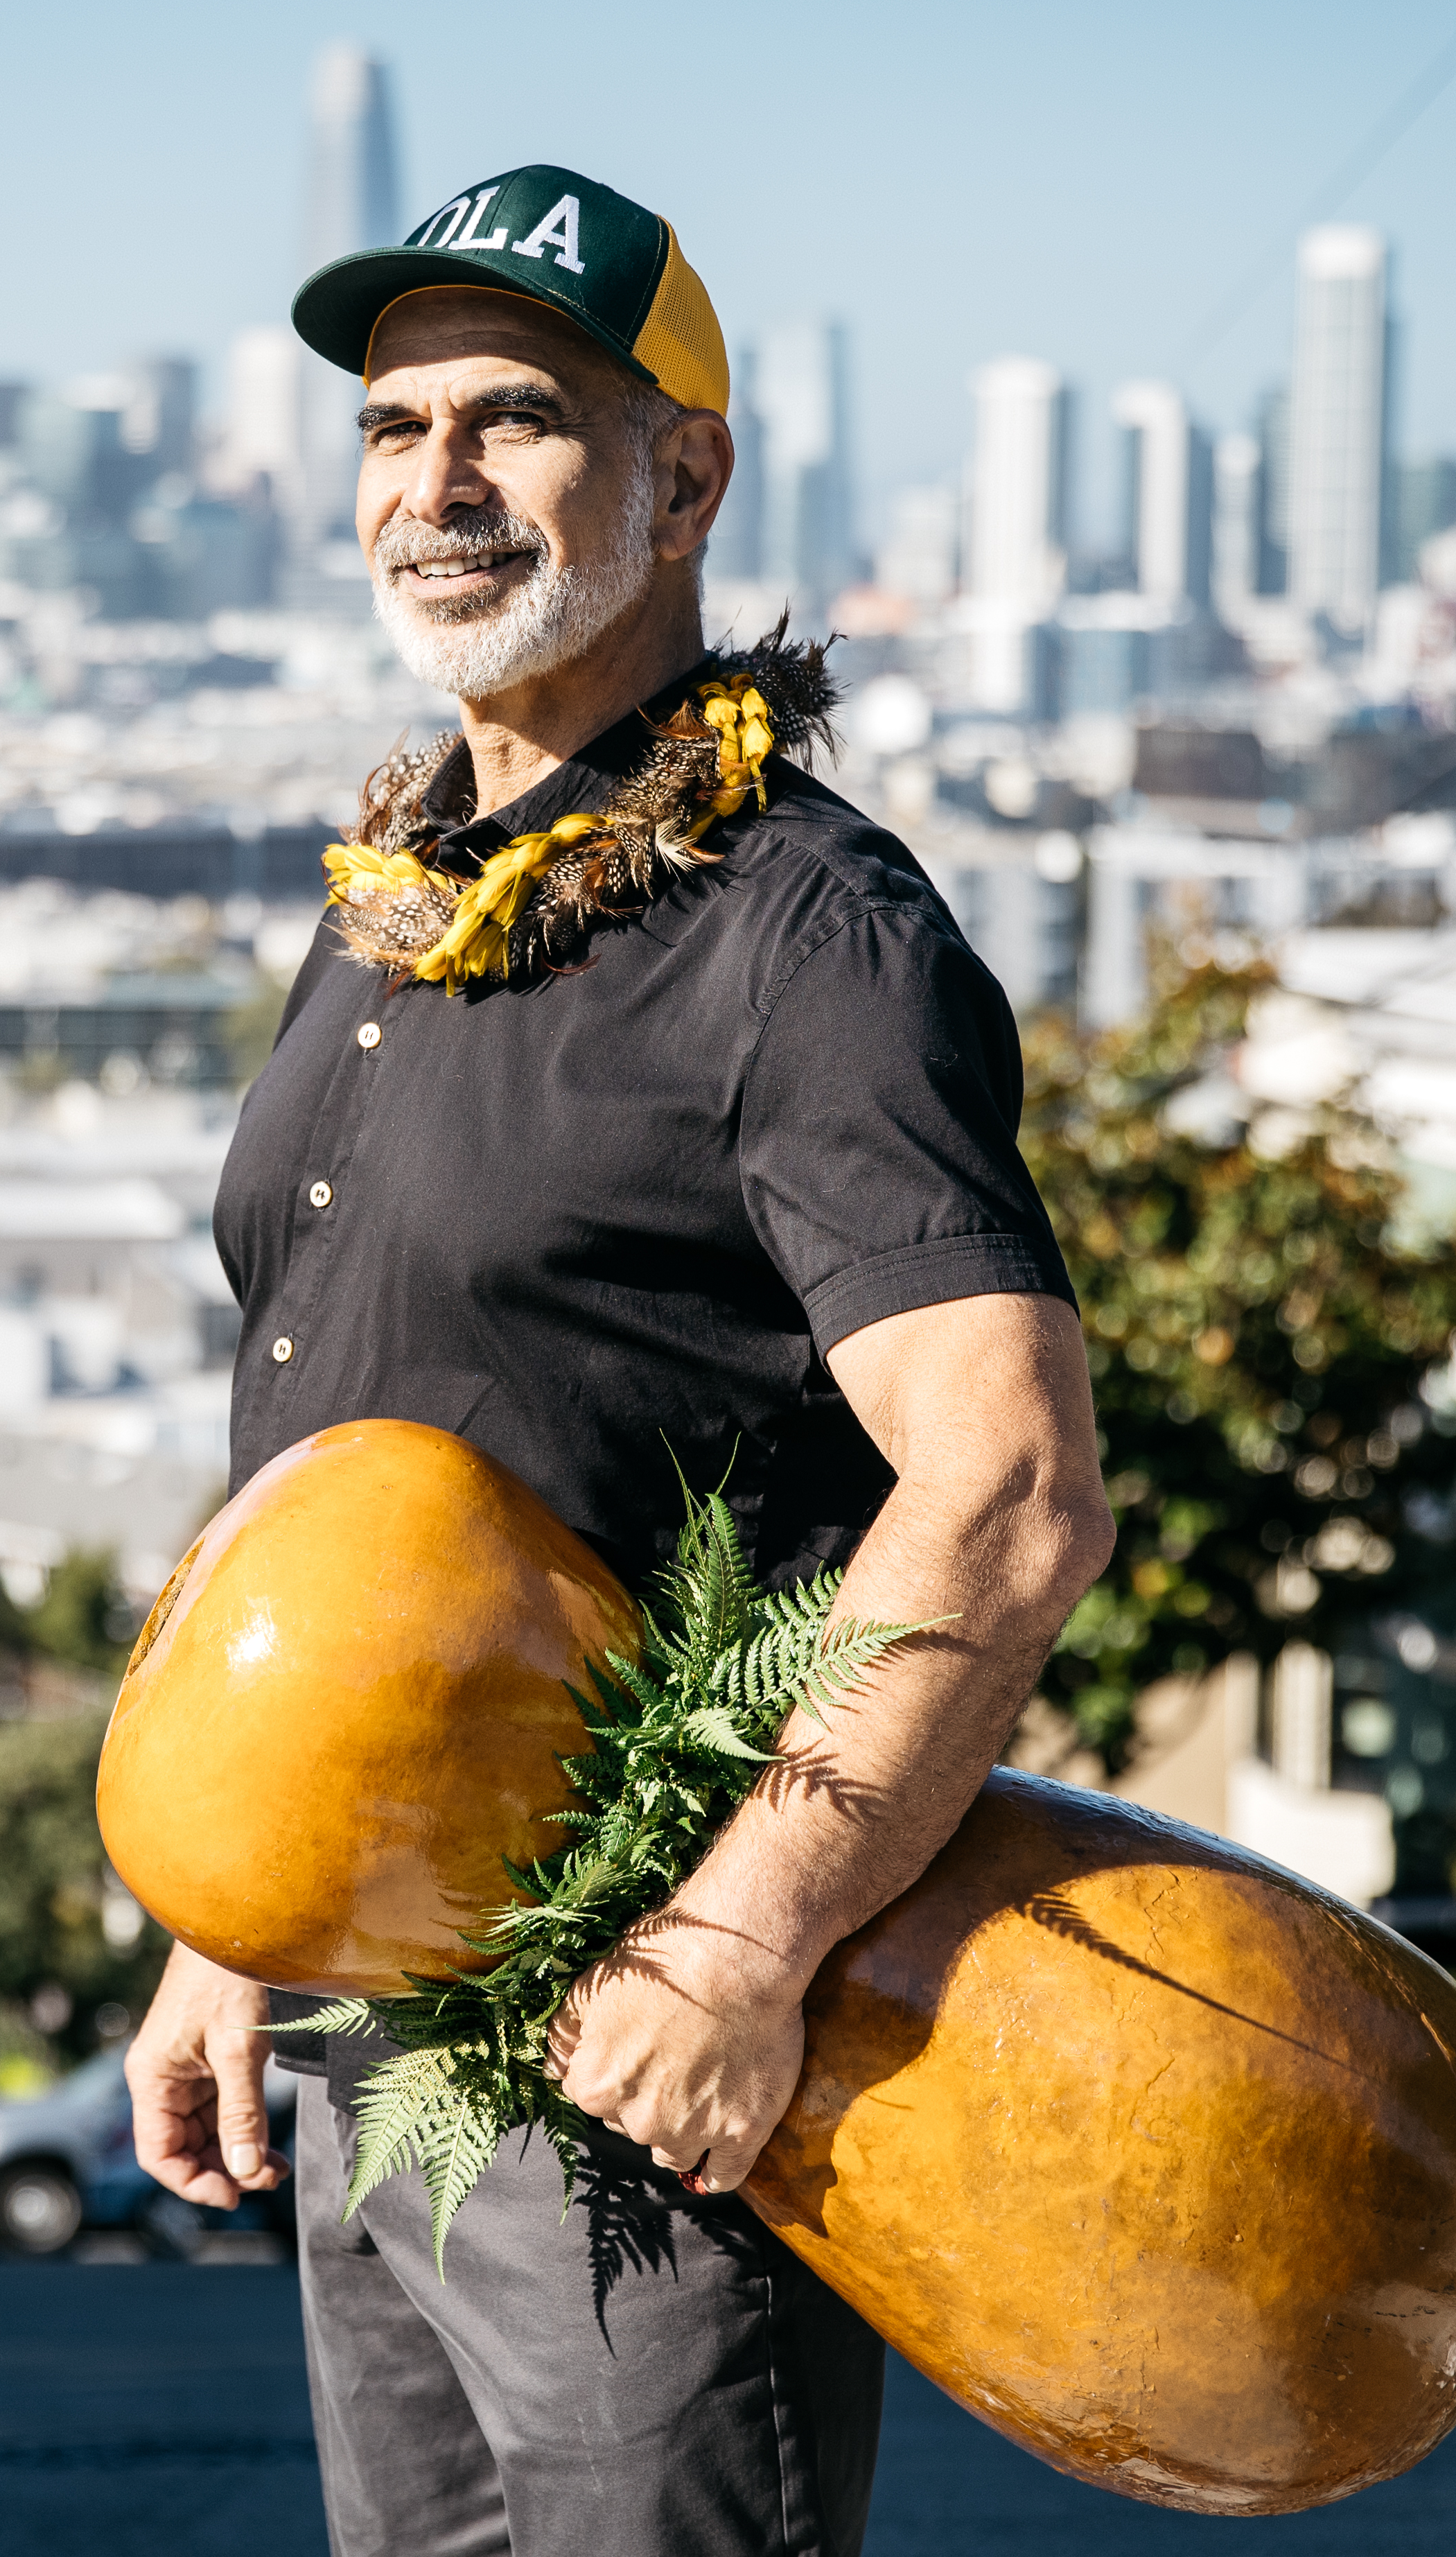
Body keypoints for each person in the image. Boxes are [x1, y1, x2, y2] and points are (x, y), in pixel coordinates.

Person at [125, 164, 1118, 2557]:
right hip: (371, 2035)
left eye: (515, 423)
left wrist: (738, 1939)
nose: (434, 488)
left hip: (645, 2056)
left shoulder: (813, 939)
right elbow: (330, 1455)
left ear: (683, 477)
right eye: (390, 428)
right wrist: (225, 1923)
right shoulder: (386, 917)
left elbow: (1003, 1488)